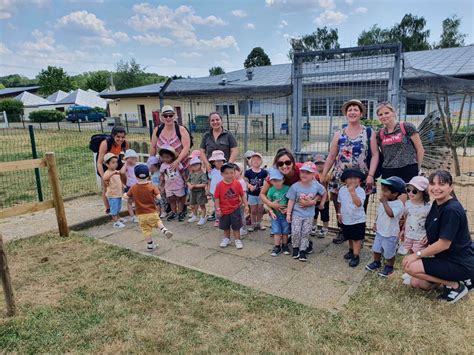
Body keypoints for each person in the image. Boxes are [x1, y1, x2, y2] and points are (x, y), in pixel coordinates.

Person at [403, 170, 474, 304]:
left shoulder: (451, 210)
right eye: (432, 183)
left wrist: (416, 254)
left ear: (451, 187)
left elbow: (443, 244)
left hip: (459, 263)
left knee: (410, 267)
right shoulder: (438, 203)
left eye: (441, 184)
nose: (436, 188)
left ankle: (455, 285)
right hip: (445, 258)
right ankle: (460, 279)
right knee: (418, 283)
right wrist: (427, 237)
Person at [321, 99, 379, 245]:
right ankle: (343, 230)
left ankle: (358, 232)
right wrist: (324, 173)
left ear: (361, 113)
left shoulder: (369, 132)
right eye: (349, 110)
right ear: (346, 114)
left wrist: (371, 175)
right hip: (341, 176)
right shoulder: (339, 134)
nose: (352, 112)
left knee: (360, 204)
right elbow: (332, 156)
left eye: (355, 109)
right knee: (340, 203)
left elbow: (375, 155)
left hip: (361, 177)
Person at [125, 164, 173, 251]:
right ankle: (164, 230)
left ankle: (150, 245)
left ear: (136, 176)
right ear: (149, 175)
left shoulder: (133, 188)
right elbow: (159, 197)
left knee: (146, 230)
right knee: (157, 221)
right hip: (151, 211)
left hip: (140, 215)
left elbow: (126, 197)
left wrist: (125, 195)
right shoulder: (151, 186)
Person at [286, 162, 327, 262]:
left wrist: (321, 203)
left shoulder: (316, 185)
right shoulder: (295, 186)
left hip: (309, 215)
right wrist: (288, 213)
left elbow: (324, 192)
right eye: (302, 172)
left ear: (313, 174)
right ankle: (295, 248)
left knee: (305, 233)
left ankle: (303, 250)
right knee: (295, 232)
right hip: (297, 214)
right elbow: (291, 200)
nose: (304, 174)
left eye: (307, 173)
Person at [366, 176, 405, 277]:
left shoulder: (398, 204)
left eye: (386, 191)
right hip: (380, 231)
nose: (383, 193)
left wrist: (384, 203)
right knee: (376, 249)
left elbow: (391, 214)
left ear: (395, 194)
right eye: (383, 190)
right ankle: (376, 262)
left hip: (390, 234)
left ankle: (389, 266)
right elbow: (380, 214)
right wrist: (375, 223)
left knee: (389, 252)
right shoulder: (384, 202)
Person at [376, 101, 424, 182]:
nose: (384, 116)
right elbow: (384, 153)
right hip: (388, 170)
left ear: (394, 113)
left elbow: (420, 149)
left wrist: (417, 169)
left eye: (387, 113)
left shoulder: (407, 127)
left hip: (408, 168)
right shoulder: (380, 134)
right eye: (380, 114)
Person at [214, 163, 249, 250]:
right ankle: (226, 239)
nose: (229, 175)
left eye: (231, 173)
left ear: (235, 173)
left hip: (235, 209)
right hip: (224, 210)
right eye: (227, 173)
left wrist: (246, 205)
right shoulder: (219, 185)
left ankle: (237, 240)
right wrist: (218, 209)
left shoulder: (237, 183)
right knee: (225, 226)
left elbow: (242, 195)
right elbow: (217, 198)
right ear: (222, 174)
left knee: (236, 226)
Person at [337, 168, 367, 267]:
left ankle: (356, 255)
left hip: (358, 219)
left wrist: (352, 192)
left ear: (360, 180)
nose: (352, 180)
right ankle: (351, 250)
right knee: (349, 237)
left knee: (356, 239)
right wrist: (339, 214)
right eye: (349, 178)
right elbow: (340, 202)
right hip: (346, 218)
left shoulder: (361, 191)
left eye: (355, 178)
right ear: (345, 180)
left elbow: (358, 204)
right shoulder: (342, 189)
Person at [96, 126, 128, 214]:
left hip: (115, 161)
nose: (120, 139)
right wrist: (104, 177)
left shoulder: (124, 143)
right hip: (104, 164)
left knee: (122, 178)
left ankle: (124, 197)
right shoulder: (105, 143)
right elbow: (99, 162)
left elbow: (127, 156)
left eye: (122, 137)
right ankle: (108, 208)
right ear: (113, 136)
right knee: (105, 187)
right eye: (118, 137)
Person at [150, 106, 191, 172]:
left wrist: (177, 161)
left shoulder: (181, 129)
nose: (168, 118)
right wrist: (151, 162)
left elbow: (186, 147)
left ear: (174, 116)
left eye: (170, 115)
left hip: (181, 166)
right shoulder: (157, 130)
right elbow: (153, 147)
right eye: (165, 116)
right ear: (162, 117)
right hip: (163, 167)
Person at [398, 176, 431, 256]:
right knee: (409, 252)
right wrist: (403, 230)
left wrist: (428, 235)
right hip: (408, 235)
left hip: (420, 237)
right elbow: (406, 219)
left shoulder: (428, 208)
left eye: (414, 191)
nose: (410, 193)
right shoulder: (407, 204)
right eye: (408, 190)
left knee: (417, 255)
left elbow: (430, 224)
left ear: (423, 192)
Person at [266, 168, 291, 257]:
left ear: (283, 179)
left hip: (285, 215)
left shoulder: (287, 188)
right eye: (274, 180)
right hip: (275, 215)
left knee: (285, 231)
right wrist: (271, 211)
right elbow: (268, 202)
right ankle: (277, 246)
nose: (276, 182)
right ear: (271, 181)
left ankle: (284, 245)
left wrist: (288, 209)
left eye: (278, 180)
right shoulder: (271, 190)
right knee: (276, 231)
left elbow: (291, 201)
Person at [159, 145, 186, 222]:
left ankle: (180, 212)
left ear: (172, 156)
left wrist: (185, 181)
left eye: (167, 157)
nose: (165, 159)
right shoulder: (163, 166)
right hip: (168, 186)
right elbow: (162, 176)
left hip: (178, 185)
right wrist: (161, 185)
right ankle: (174, 212)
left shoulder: (177, 164)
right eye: (164, 157)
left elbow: (182, 173)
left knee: (180, 199)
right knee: (171, 200)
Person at [244, 152, 268, 232]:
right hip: (252, 194)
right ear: (250, 161)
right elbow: (245, 181)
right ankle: (253, 223)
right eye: (254, 159)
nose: (256, 161)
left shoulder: (264, 172)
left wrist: (264, 187)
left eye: (258, 159)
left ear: (261, 161)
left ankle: (259, 223)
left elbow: (266, 181)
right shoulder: (248, 172)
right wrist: (249, 186)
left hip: (261, 194)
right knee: (253, 210)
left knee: (260, 209)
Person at [102, 153, 126, 229]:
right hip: (112, 195)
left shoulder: (116, 171)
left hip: (118, 194)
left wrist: (122, 185)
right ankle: (115, 222)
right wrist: (113, 173)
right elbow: (104, 178)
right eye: (113, 162)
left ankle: (118, 218)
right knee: (114, 208)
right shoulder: (108, 172)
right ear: (107, 164)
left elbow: (118, 180)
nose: (115, 164)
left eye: (116, 162)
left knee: (118, 207)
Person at [312, 154, 330, 238]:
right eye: (317, 163)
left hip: (324, 199)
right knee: (314, 214)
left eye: (321, 163)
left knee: (325, 215)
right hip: (314, 199)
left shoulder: (327, 175)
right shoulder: (312, 175)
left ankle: (325, 228)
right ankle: (313, 227)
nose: (319, 165)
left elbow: (330, 186)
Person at [187, 157, 208, 226]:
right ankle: (195, 216)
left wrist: (195, 185)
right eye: (193, 165)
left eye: (197, 164)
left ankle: (203, 217)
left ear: (200, 164)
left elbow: (204, 183)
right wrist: (189, 185)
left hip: (200, 192)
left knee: (202, 205)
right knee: (192, 205)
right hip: (192, 192)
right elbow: (188, 181)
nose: (195, 166)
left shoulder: (202, 174)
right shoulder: (191, 174)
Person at [207, 150, 226, 226]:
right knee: (216, 206)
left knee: (224, 205)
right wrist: (208, 189)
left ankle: (225, 218)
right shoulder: (211, 171)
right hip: (214, 192)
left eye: (221, 160)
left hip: (224, 191)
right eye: (217, 160)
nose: (219, 162)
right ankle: (217, 219)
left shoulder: (225, 170)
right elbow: (209, 180)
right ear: (213, 162)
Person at [121, 149, 139, 223]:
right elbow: (121, 172)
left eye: (133, 158)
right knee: (130, 202)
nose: (132, 160)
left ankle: (138, 215)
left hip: (137, 186)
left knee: (138, 202)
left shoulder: (137, 166)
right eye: (130, 159)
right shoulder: (127, 167)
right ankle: (132, 216)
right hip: (130, 187)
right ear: (126, 159)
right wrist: (125, 164)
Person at [235, 163, 249, 236]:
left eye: (236, 171)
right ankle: (238, 227)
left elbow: (242, 193)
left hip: (241, 202)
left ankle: (243, 228)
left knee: (241, 216)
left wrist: (240, 201)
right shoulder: (234, 181)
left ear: (240, 171)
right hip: (234, 203)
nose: (233, 173)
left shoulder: (241, 181)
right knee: (237, 216)